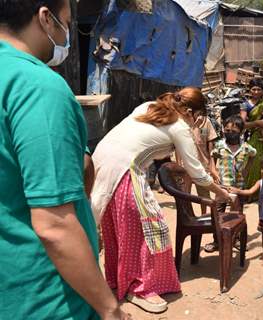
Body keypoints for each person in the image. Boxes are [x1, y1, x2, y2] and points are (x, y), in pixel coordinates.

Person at [0, 1, 127, 319]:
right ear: (45, 18)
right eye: (68, 22)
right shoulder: (36, 87)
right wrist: (109, 309)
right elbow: (54, 225)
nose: (68, 33)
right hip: (46, 297)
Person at [91, 88, 232, 313]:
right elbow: (196, 173)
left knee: (120, 229)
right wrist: (223, 194)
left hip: (101, 162)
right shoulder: (180, 127)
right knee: (151, 229)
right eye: (196, 116)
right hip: (125, 172)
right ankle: (138, 288)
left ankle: (120, 279)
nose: (196, 122)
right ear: (188, 111)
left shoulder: (149, 107)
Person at [205, 115, 257, 252]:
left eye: (233, 131)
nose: (229, 133)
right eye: (227, 130)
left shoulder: (246, 148)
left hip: (238, 188)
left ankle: (236, 240)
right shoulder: (220, 145)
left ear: (241, 132)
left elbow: (253, 155)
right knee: (218, 212)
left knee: (236, 214)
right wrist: (213, 170)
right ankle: (217, 241)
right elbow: (212, 156)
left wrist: (247, 171)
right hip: (221, 187)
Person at [177, 112, 218, 214]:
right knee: (184, 193)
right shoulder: (181, 122)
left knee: (204, 194)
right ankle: (188, 216)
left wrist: (211, 164)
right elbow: (177, 145)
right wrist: (178, 164)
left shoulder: (206, 121)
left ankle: (203, 215)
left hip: (202, 165)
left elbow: (210, 141)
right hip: (185, 165)